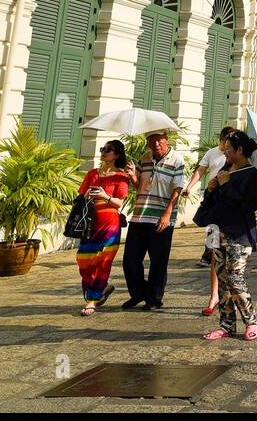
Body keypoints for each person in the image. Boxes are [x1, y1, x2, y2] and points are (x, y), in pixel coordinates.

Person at [202, 130, 257, 341]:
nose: (225, 151)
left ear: (239, 150)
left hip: (240, 233)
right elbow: (214, 200)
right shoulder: (226, 168)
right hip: (218, 230)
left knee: (235, 277)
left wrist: (226, 184)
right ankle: (226, 325)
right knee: (221, 278)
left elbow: (246, 204)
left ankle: (251, 321)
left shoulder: (252, 174)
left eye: (228, 148)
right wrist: (210, 189)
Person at [121, 131, 185, 311]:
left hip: (161, 218)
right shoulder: (145, 158)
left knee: (158, 261)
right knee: (130, 260)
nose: (156, 144)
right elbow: (138, 186)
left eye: (159, 141)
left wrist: (167, 214)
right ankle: (139, 293)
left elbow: (178, 189)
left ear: (166, 141)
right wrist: (133, 175)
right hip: (140, 215)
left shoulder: (176, 159)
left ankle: (154, 299)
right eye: (152, 141)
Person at [77, 140, 135, 315]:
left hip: (110, 224)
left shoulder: (121, 176)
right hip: (90, 224)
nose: (104, 152)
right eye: (103, 149)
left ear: (116, 155)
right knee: (84, 261)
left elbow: (119, 203)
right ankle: (103, 288)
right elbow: (80, 196)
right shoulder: (92, 173)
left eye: (109, 150)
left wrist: (104, 195)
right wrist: (87, 194)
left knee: (103, 261)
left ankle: (93, 300)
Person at [187, 127, 233, 316]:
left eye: (232, 143)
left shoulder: (241, 159)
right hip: (215, 209)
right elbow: (200, 171)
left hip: (233, 211)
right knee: (215, 253)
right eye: (226, 142)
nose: (228, 146)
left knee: (231, 257)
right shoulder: (212, 153)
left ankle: (229, 293)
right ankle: (214, 295)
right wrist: (190, 187)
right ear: (221, 140)